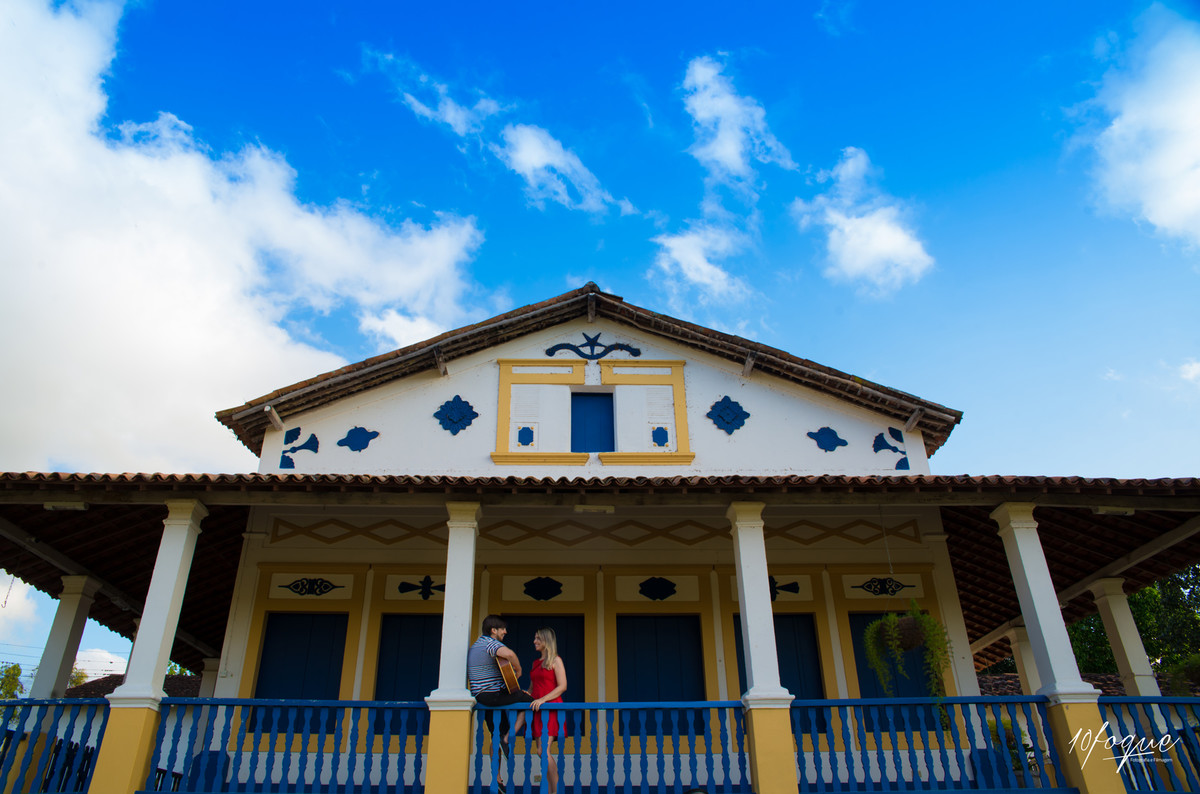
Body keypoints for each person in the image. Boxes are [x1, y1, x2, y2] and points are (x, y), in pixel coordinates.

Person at [467, 615, 533, 760]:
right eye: (502, 629)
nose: (505, 632)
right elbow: (509, 654)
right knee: (530, 701)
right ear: (493, 630)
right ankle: (508, 738)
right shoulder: (490, 644)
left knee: (496, 733)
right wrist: (519, 669)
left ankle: (496, 777)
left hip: (482, 696)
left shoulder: (476, 645)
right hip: (492, 695)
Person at [529, 627, 567, 794]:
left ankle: (555, 790)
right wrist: (527, 694)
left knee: (542, 751)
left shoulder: (556, 660)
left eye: (538, 638)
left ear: (546, 641)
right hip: (538, 710)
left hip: (550, 708)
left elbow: (563, 686)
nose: (535, 641)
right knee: (541, 752)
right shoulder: (535, 663)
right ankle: (551, 790)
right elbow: (533, 688)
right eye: (535, 638)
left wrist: (543, 699)